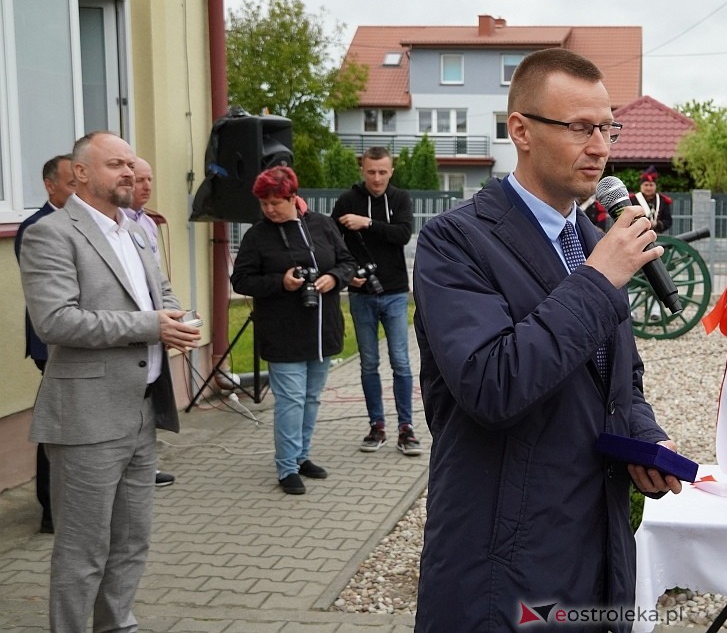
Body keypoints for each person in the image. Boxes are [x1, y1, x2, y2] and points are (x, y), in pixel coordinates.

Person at [412, 48, 682, 632]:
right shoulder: (455, 242)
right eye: (580, 128)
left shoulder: (591, 239)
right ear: (521, 132)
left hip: (592, 542)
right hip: (504, 559)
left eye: (607, 127)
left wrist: (642, 436)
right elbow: (492, 384)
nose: (602, 147)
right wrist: (600, 279)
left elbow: (616, 375)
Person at [18, 131, 201, 631]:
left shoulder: (136, 231)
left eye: (131, 164)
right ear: (80, 173)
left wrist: (178, 319)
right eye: (116, 164)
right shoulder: (50, 234)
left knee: (130, 540)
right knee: (83, 550)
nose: (129, 173)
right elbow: (55, 321)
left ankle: (116, 623)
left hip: (142, 410)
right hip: (86, 417)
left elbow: (158, 296)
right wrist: (150, 326)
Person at [230, 165, 355, 495]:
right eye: (264, 203)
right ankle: (286, 467)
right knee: (291, 401)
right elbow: (240, 280)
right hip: (282, 332)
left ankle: (302, 457)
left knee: (311, 398)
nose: (270, 209)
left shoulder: (322, 225)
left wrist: (335, 278)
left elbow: (347, 262)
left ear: (293, 197)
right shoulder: (257, 236)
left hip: (321, 330)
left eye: (276, 202)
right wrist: (280, 282)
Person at [329, 147, 421, 456]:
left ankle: (406, 428)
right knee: (369, 363)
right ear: (362, 170)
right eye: (371, 172)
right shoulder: (346, 201)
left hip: (394, 292)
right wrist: (347, 273)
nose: (377, 178)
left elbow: (404, 234)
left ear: (391, 171)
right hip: (360, 294)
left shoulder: (400, 199)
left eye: (383, 172)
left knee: (401, 362)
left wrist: (367, 223)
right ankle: (376, 426)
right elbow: (330, 242)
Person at [14, 154, 76, 534]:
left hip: (81, 341)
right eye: (71, 183)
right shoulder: (37, 227)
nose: (78, 190)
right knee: (57, 424)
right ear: (50, 185)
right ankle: (50, 508)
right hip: (51, 341)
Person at [124, 156, 177, 488]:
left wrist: (173, 313)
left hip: (155, 327)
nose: (144, 187)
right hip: (130, 334)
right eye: (138, 180)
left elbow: (158, 279)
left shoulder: (145, 223)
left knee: (148, 401)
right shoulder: (110, 227)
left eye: (148, 180)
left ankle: (145, 463)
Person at [632, 166, 672, 234]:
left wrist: (657, 224)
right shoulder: (633, 200)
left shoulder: (663, 200)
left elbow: (668, 220)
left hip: (657, 234)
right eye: (646, 185)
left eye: (651, 185)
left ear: (655, 186)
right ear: (641, 186)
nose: (648, 188)